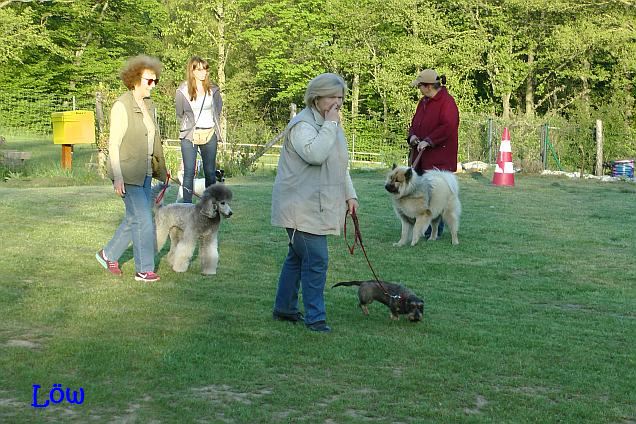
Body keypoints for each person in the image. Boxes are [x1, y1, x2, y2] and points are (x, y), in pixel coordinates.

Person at [271, 73, 359, 333]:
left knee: (298, 258)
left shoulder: (328, 122)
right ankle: (315, 318)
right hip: (300, 206)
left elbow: (340, 163)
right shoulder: (303, 125)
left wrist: (350, 195)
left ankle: (284, 308)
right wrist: (331, 124)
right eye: (333, 97)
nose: (338, 103)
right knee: (316, 259)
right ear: (317, 97)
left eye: (341, 97)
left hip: (314, 204)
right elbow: (316, 155)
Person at [96, 55, 167, 282]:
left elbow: (152, 140)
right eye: (149, 80)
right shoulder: (121, 106)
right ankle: (144, 269)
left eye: (155, 80)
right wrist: (117, 177)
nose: (153, 85)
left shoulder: (148, 105)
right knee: (144, 219)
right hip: (127, 173)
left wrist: (161, 171)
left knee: (133, 218)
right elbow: (113, 144)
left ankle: (107, 254)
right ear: (135, 79)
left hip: (145, 172)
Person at [407, 68, 459, 238]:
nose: (419, 89)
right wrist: (413, 136)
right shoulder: (423, 102)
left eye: (420, 86)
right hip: (422, 158)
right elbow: (415, 123)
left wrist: (429, 140)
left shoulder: (447, 103)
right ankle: (423, 227)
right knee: (422, 195)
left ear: (428, 86)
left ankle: (435, 230)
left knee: (437, 196)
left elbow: (448, 127)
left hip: (439, 160)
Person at [175, 56, 223, 203]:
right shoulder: (182, 90)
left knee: (210, 172)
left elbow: (218, 109)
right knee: (189, 172)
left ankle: (210, 205)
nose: (204, 72)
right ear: (192, 71)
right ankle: (187, 207)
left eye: (206, 69)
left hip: (209, 133)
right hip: (190, 135)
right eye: (200, 69)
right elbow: (179, 112)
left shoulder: (213, 89)